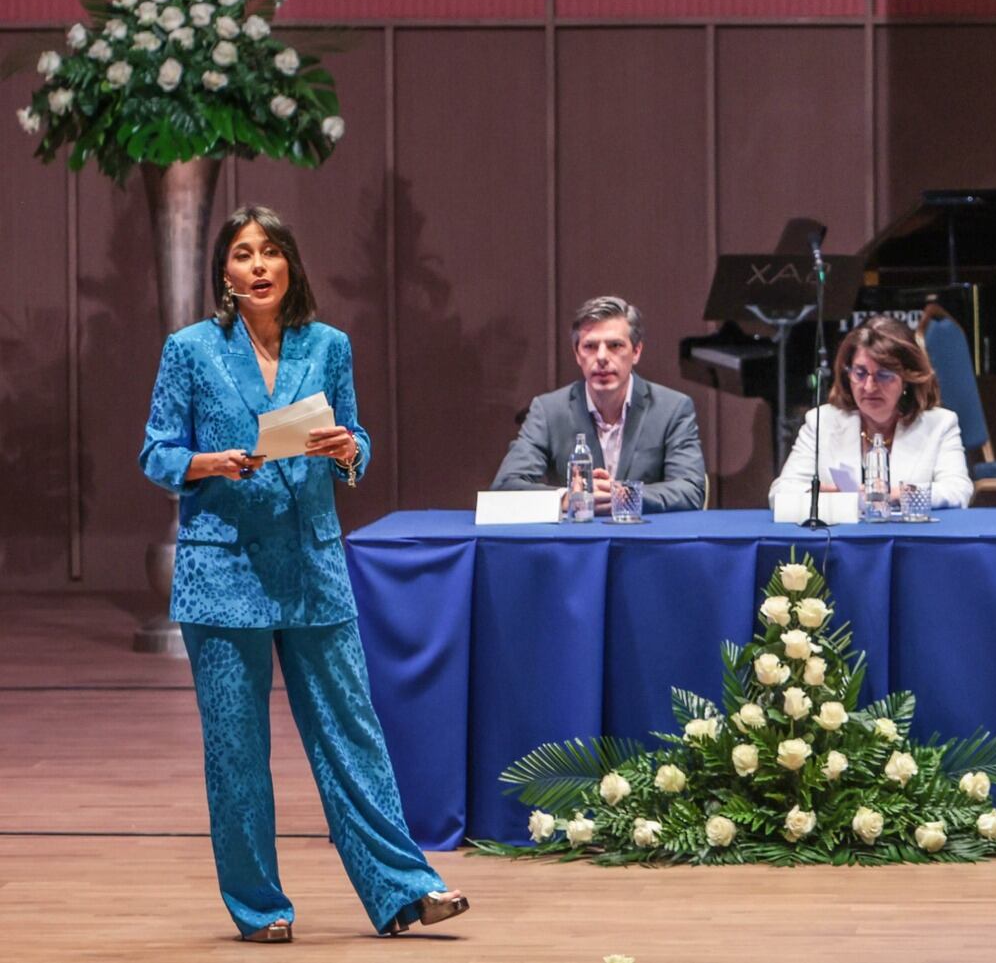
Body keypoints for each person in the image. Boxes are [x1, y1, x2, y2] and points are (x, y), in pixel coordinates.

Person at [139, 205, 467, 942]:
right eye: (242, 254)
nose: (257, 266)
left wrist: (349, 449)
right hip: (223, 573)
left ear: (290, 264)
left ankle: (405, 888)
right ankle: (260, 907)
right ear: (224, 272)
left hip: (313, 566)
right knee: (237, 751)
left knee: (353, 734)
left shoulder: (328, 345)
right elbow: (156, 452)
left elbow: (356, 442)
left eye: (270, 252)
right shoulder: (190, 350)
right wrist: (209, 462)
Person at [492, 296, 706, 514]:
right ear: (577, 354)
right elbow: (505, 487)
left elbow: (691, 489)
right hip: (577, 535)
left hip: (644, 534)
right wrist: (567, 498)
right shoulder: (548, 411)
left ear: (636, 351)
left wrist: (623, 495)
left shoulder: (672, 409)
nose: (602, 357)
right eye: (590, 346)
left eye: (615, 345)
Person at [769, 315, 972, 509]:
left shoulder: (940, 424)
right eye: (860, 373)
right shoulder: (821, 421)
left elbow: (958, 491)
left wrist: (894, 494)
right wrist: (822, 496)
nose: (869, 386)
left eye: (884, 375)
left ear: (907, 379)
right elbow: (779, 493)